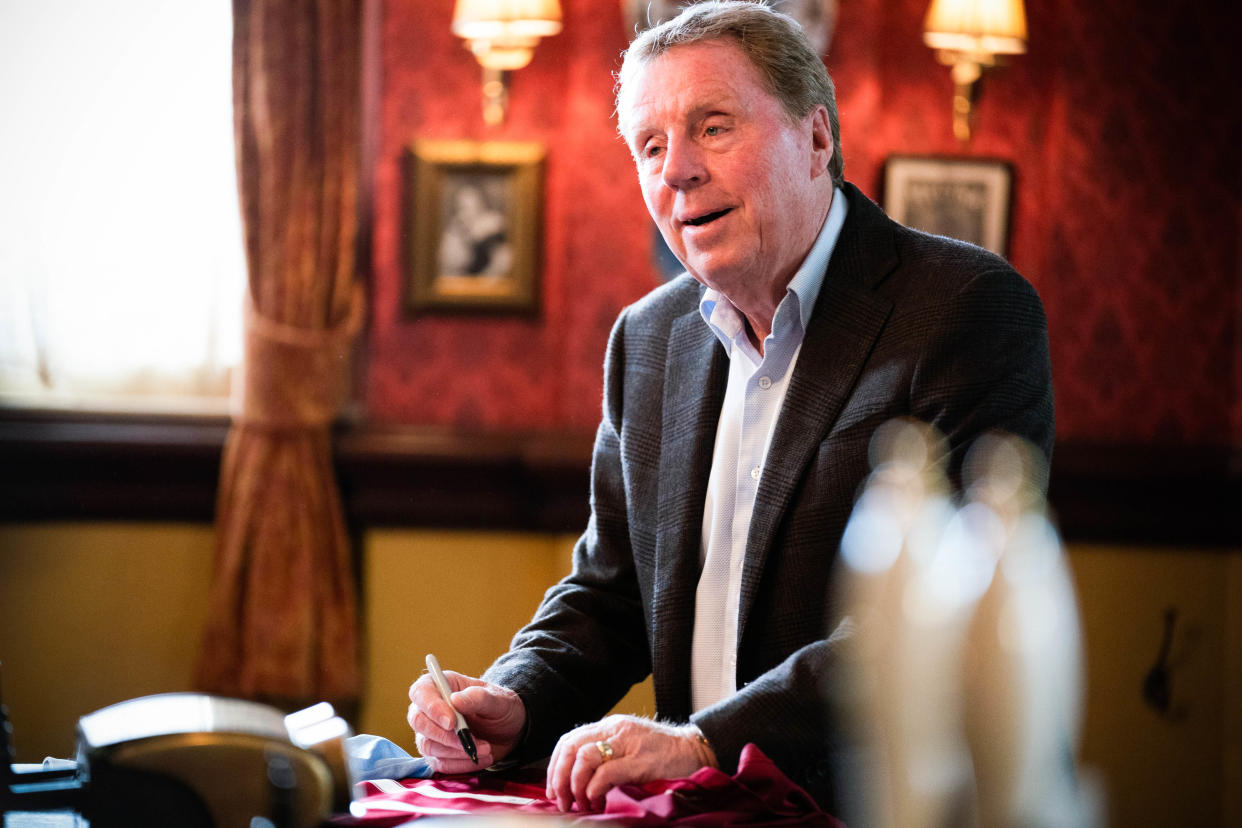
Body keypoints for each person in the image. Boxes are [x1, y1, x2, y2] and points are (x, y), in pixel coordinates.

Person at [408, 0, 1054, 817]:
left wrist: (703, 743)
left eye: (713, 128)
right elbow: (609, 595)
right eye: (650, 145)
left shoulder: (964, 309)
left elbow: (929, 626)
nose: (676, 168)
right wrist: (519, 698)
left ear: (817, 140)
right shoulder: (647, 339)